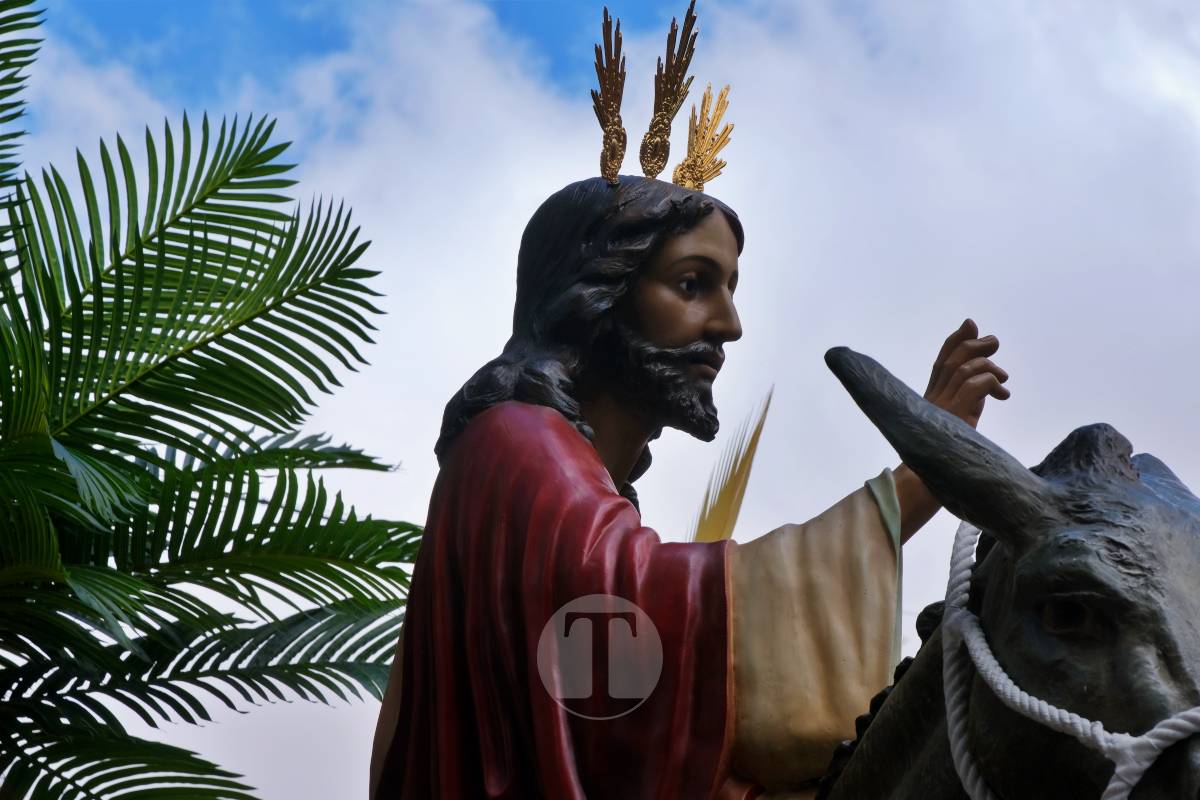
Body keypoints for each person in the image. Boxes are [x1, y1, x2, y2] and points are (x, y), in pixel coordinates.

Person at [370, 4, 1009, 798]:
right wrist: (919, 478)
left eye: (729, 290)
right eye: (692, 286)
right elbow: (646, 616)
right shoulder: (517, 446)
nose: (729, 325)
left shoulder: (567, 472)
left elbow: (599, 709)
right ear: (596, 296)